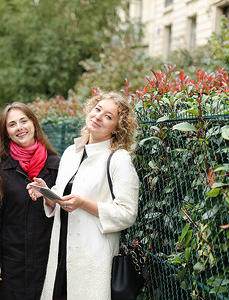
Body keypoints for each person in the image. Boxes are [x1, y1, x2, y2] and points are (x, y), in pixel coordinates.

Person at [28, 92, 140, 299]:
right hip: (61, 251)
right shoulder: (72, 152)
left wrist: (83, 203)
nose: (98, 117)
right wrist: (47, 193)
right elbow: (64, 198)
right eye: (97, 109)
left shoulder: (119, 159)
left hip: (92, 254)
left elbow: (127, 213)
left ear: (117, 127)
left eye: (108, 116)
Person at [0, 102, 60, 300]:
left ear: (34, 124)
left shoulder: (56, 165)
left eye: (23, 121)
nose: (19, 127)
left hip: (45, 257)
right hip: (11, 262)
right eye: (12, 124)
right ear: (6, 133)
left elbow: (64, 211)